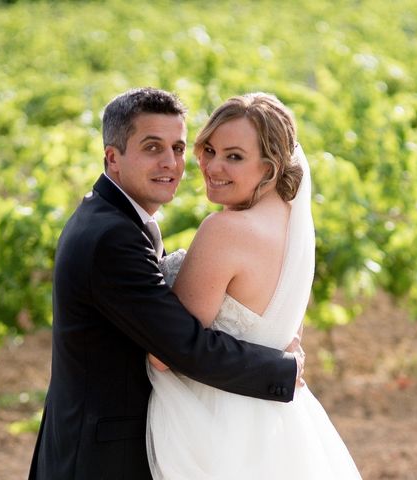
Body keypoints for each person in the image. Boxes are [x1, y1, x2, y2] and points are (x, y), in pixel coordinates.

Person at [28, 87, 305, 480]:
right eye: (152, 148)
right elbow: (181, 346)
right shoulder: (111, 237)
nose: (171, 163)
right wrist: (281, 368)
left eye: (177, 148)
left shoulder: (116, 218)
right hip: (97, 460)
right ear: (113, 157)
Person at [146, 93, 362, 479]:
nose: (213, 166)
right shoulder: (295, 230)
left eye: (234, 156)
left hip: (211, 423)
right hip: (281, 423)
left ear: (271, 166)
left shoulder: (225, 230)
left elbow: (167, 352)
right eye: (209, 150)